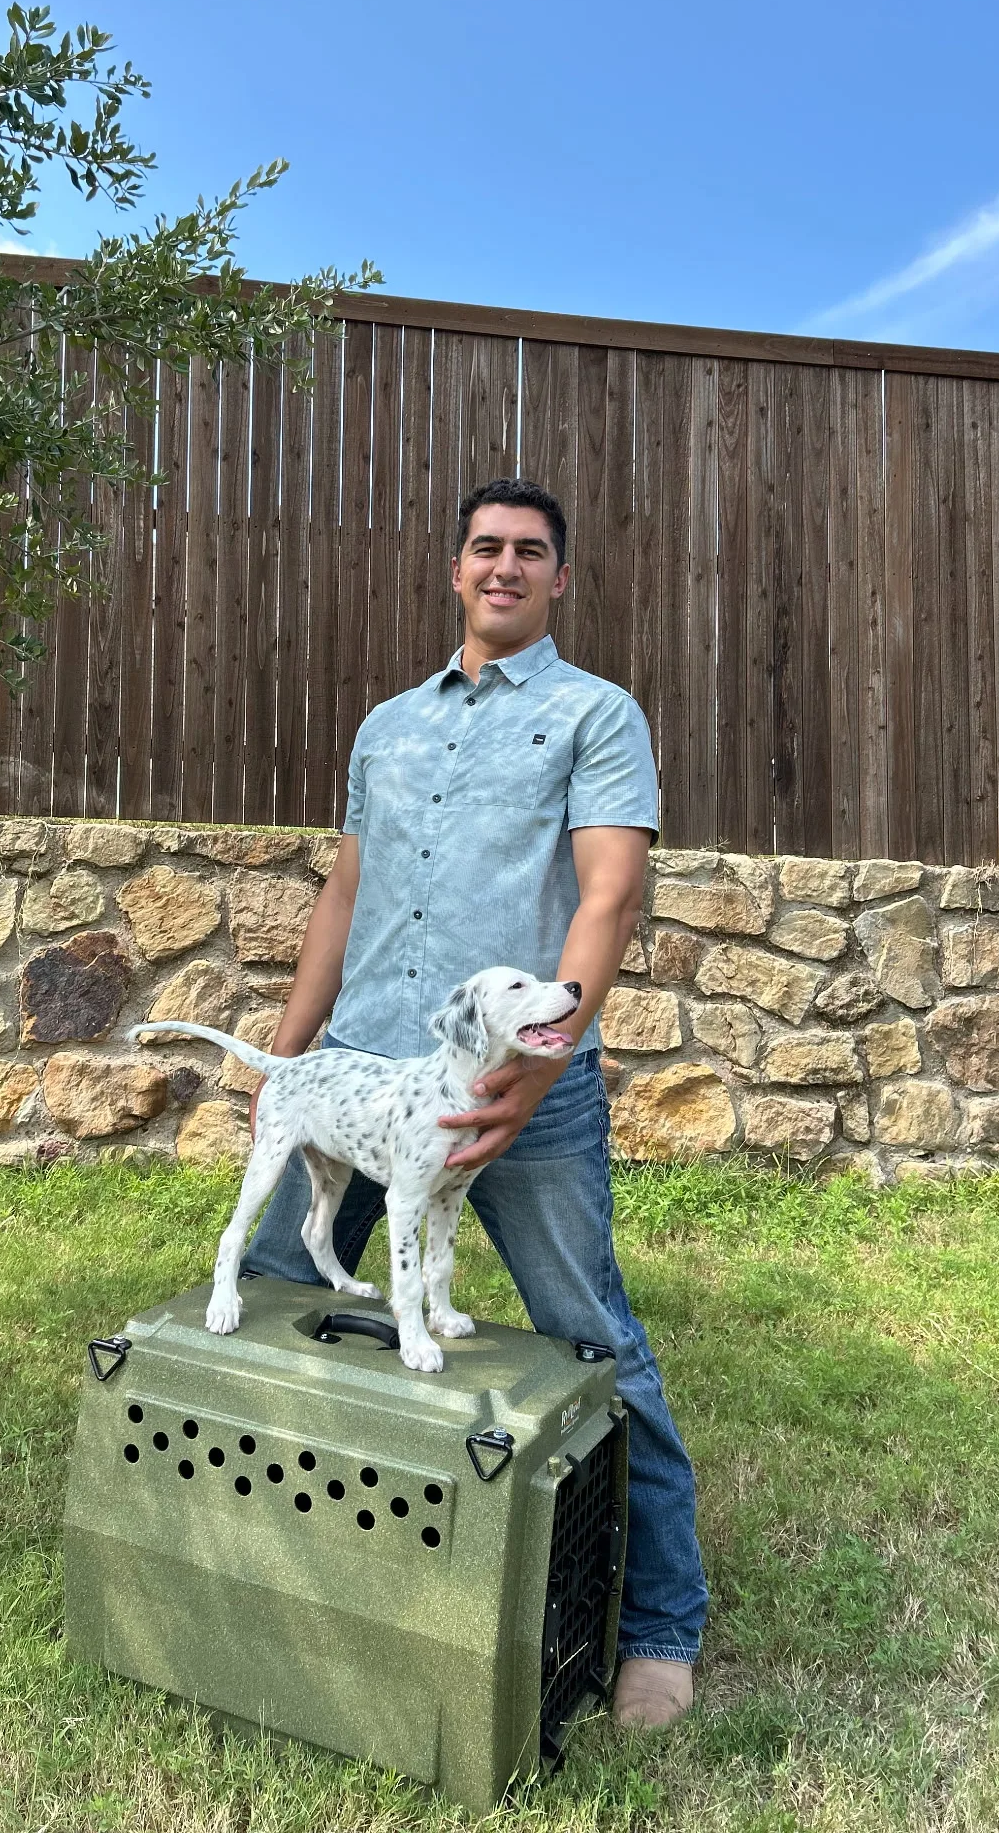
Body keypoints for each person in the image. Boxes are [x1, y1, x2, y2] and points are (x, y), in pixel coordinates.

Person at [242, 475, 708, 1727]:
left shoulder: (593, 716)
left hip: (524, 1095)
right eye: (485, 548)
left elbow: (608, 897)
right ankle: (301, 1577)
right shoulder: (385, 726)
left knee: (592, 1341)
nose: (505, 566)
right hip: (360, 1081)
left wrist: (540, 1068)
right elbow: (341, 899)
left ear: (561, 578)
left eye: (531, 552)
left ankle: (661, 1624)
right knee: (286, 1309)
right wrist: (278, 1063)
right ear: (455, 569)